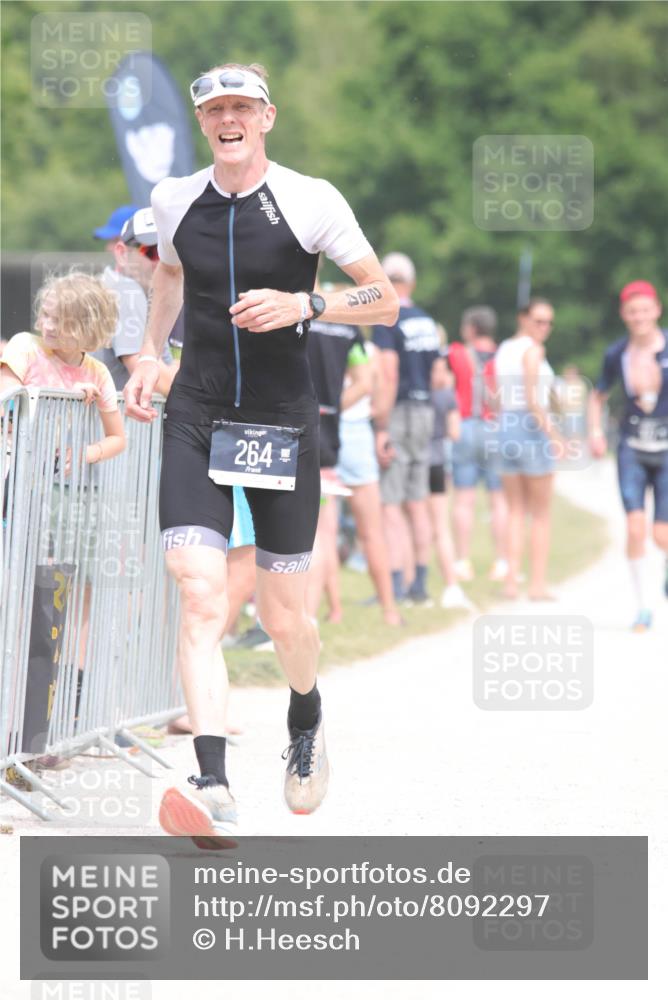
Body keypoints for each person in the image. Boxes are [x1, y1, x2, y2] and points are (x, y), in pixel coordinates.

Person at [123, 62, 398, 834]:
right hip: (198, 412)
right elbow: (171, 277)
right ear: (204, 121)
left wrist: (306, 302)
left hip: (280, 423)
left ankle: (304, 718)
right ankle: (211, 781)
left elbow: (385, 299)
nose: (228, 119)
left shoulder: (311, 199)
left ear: (267, 117)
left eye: (242, 106)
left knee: (284, 620)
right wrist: (150, 350)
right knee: (199, 589)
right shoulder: (174, 199)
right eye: (215, 109)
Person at [589, 280, 668, 631]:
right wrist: (594, 432)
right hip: (632, 449)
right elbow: (598, 395)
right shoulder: (616, 354)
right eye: (632, 311)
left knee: (662, 535)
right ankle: (643, 607)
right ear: (624, 314)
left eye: (645, 310)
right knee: (636, 529)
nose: (639, 317)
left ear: (657, 310)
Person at [372, 252, 441, 605]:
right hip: (425, 409)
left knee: (390, 502)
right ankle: (421, 585)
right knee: (417, 500)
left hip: (398, 410)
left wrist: (381, 424)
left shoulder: (387, 318)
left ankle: (396, 584)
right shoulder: (428, 321)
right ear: (411, 283)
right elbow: (441, 376)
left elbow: (388, 372)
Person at [494, 298, 562, 600]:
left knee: (515, 510)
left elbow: (496, 396)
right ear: (524, 318)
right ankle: (536, 585)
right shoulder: (533, 350)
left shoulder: (505, 348)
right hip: (530, 427)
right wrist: (555, 435)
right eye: (538, 320)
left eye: (548, 322)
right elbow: (534, 399)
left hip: (507, 424)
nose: (544, 327)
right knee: (541, 514)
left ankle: (511, 581)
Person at [336, 340, 403, 626]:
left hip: (321, 429)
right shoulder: (367, 348)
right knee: (371, 532)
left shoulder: (312, 332)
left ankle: (331, 611)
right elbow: (383, 392)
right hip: (357, 433)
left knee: (320, 534)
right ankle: (389, 609)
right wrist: (381, 427)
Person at [447, 306, 507, 583]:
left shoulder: (457, 353)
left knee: (464, 498)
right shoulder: (503, 356)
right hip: (495, 428)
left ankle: (462, 561)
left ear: (471, 328)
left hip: (466, 426)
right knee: (498, 500)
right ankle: (502, 562)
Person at [93, 207, 177, 395]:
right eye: (151, 251)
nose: (162, 259)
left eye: (168, 249)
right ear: (122, 253)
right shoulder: (125, 291)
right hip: (118, 423)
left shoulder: (117, 288)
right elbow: (156, 382)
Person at [428, 354, 472, 610]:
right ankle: (451, 585)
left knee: (416, 527)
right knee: (440, 528)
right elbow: (455, 433)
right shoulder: (447, 396)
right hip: (437, 464)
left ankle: (413, 584)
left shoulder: (417, 394)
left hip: (414, 463)